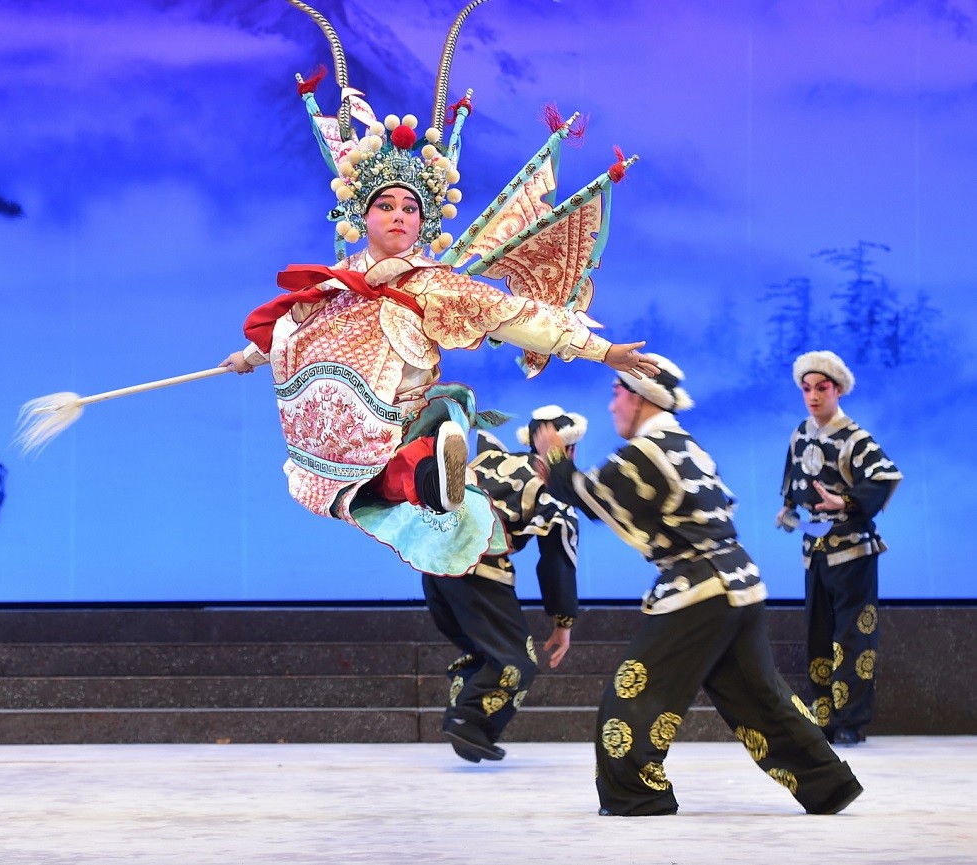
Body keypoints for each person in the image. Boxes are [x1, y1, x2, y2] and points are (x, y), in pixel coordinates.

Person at [223, 171, 655, 577]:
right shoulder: (334, 284)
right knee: (347, 489)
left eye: (409, 209)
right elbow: (295, 329)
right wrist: (248, 358)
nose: (398, 215)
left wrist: (602, 350)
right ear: (364, 217)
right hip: (323, 430)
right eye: (386, 206)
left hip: (392, 418)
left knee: (396, 471)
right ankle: (428, 475)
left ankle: (434, 476)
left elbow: (514, 315)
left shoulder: (434, 285)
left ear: (422, 224)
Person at [542, 354, 862, 816]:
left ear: (640, 396)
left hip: (701, 591)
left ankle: (637, 795)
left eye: (616, 394)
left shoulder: (648, 451)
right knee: (762, 702)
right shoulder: (686, 445)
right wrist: (561, 474)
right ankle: (827, 784)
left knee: (632, 695)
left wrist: (554, 455)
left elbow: (589, 493)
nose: (612, 406)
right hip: (740, 585)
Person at [421, 406, 586, 763]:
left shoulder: (494, 459)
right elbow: (557, 558)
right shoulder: (551, 491)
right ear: (568, 450)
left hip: (434, 567)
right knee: (517, 661)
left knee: (487, 655)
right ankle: (469, 720)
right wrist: (563, 621)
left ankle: (469, 724)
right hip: (479, 571)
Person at [777, 350, 901, 746]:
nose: (813, 396)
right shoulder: (801, 433)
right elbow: (794, 477)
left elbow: (885, 477)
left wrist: (845, 501)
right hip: (815, 549)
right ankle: (824, 715)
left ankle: (851, 720)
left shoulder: (855, 438)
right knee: (818, 634)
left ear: (838, 390)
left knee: (853, 635)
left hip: (852, 551)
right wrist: (789, 509)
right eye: (807, 389)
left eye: (822, 388)